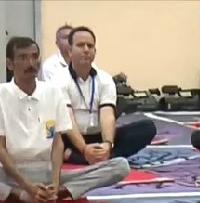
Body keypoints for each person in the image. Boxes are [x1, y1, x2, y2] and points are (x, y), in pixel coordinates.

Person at [0, 37, 128, 203]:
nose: (30, 63)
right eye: (23, 58)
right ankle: (20, 195)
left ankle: (58, 193)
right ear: (9, 63)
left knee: (120, 166)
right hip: (8, 173)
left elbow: (58, 143)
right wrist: (26, 187)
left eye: (34, 57)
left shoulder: (53, 92)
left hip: (46, 171)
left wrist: (55, 183)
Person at [56, 26, 156, 165]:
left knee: (147, 128)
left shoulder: (105, 79)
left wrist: (107, 144)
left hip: (97, 137)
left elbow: (107, 115)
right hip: (69, 137)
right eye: (80, 45)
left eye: (90, 46)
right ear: (70, 51)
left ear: (95, 52)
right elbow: (67, 120)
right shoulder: (59, 79)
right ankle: (84, 156)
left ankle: (96, 157)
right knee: (46, 135)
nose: (86, 49)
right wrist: (84, 149)